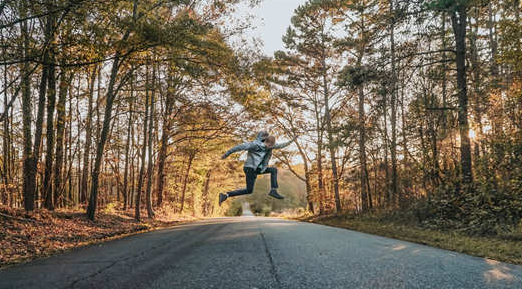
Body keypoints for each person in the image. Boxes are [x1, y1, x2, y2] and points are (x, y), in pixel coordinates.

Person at [219, 131, 295, 205]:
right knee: (249, 190)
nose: (270, 148)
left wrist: (293, 139)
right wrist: (226, 154)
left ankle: (273, 190)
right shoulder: (254, 145)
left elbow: (281, 145)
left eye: (272, 146)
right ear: (266, 142)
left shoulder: (269, 146)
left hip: (257, 169)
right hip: (249, 168)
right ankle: (225, 195)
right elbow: (238, 147)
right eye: (270, 146)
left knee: (273, 170)